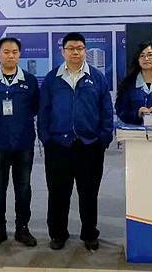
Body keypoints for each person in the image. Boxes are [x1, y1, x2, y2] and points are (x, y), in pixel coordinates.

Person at [38, 33, 113, 251]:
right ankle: (58, 234)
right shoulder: (52, 79)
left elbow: (106, 110)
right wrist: (46, 138)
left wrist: (103, 138)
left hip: (89, 145)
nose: (75, 52)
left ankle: (89, 233)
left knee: (89, 193)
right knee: (58, 193)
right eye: (71, 48)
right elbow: (43, 111)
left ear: (85, 51)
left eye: (79, 48)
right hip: (58, 146)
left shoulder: (97, 78)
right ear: (62, 51)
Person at [0, 37, 39, 248]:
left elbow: (35, 107)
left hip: (23, 143)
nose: (10, 55)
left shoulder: (30, 81)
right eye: (6, 52)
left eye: (14, 52)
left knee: (23, 188)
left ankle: (22, 228)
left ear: (19, 54)